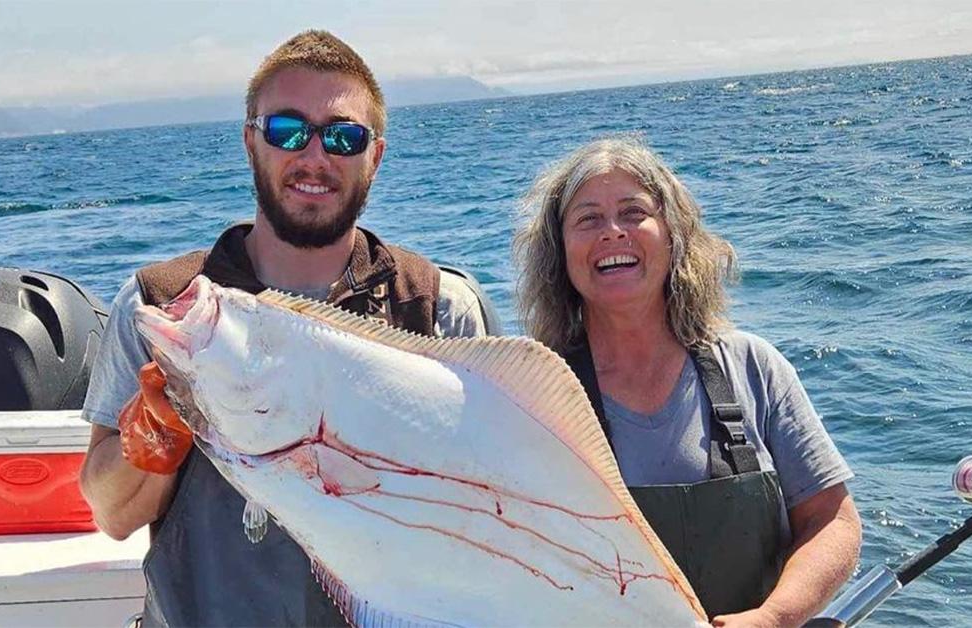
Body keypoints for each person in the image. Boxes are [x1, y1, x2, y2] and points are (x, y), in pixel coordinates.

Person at [79, 30, 490, 627]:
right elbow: (113, 516)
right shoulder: (169, 307)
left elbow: (484, 509)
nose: (314, 157)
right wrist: (158, 432)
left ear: (374, 155)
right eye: (287, 131)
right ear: (251, 141)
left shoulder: (435, 307)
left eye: (343, 136)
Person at [513, 136, 862, 627]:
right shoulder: (534, 394)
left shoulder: (753, 368)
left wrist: (774, 617)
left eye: (634, 213)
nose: (613, 232)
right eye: (588, 218)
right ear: (560, 253)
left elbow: (832, 521)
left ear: (673, 234)